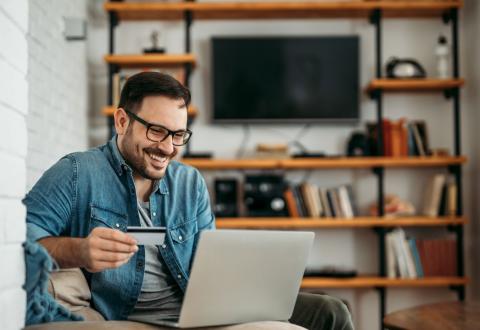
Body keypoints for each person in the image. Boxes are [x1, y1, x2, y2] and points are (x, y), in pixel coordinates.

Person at [24, 72, 353, 330]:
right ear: (122, 121)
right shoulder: (78, 172)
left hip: (200, 309)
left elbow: (211, 259)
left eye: (178, 135)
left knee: (331, 312)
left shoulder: (189, 182)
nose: (168, 147)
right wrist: (78, 250)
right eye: (156, 131)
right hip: (131, 314)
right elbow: (20, 238)